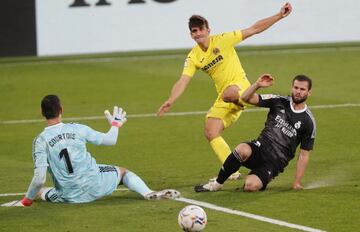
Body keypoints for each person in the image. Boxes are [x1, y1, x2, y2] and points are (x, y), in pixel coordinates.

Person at [157, 3, 293, 180]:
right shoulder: (193, 57)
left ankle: (247, 100)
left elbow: (254, 29)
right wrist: (171, 99)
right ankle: (233, 171)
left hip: (241, 87)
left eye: (200, 30)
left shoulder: (223, 39)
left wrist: (279, 15)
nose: (197, 34)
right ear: (191, 34)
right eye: (193, 31)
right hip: (225, 98)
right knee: (210, 130)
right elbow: (183, 80)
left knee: (229, 93)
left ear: (208, 29)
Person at [2, 95, 180, 207]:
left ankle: (27, 200)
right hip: (95, 183)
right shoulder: (77, 128)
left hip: (69, 195)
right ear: (61, 110)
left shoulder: (40, 140)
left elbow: (39, 178)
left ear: (42, 112)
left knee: (41, 192)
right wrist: (115, 125)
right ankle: (148, 193)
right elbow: (110, 140)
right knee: (123, 172)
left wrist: (27, 200)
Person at [194, 74, 316, 192]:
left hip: (275, 162)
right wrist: (257, 85)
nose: (298, 91)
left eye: (302, 89)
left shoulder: (308, 121)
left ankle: (255, 177)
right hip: (260, 148)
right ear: (292, 88)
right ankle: (216, 184)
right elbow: (245, 98)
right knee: (242, 149)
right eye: (296, 88)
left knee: (251, 186)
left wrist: (297, 182)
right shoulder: (278, 101)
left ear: (309, 92)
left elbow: (304, 155)